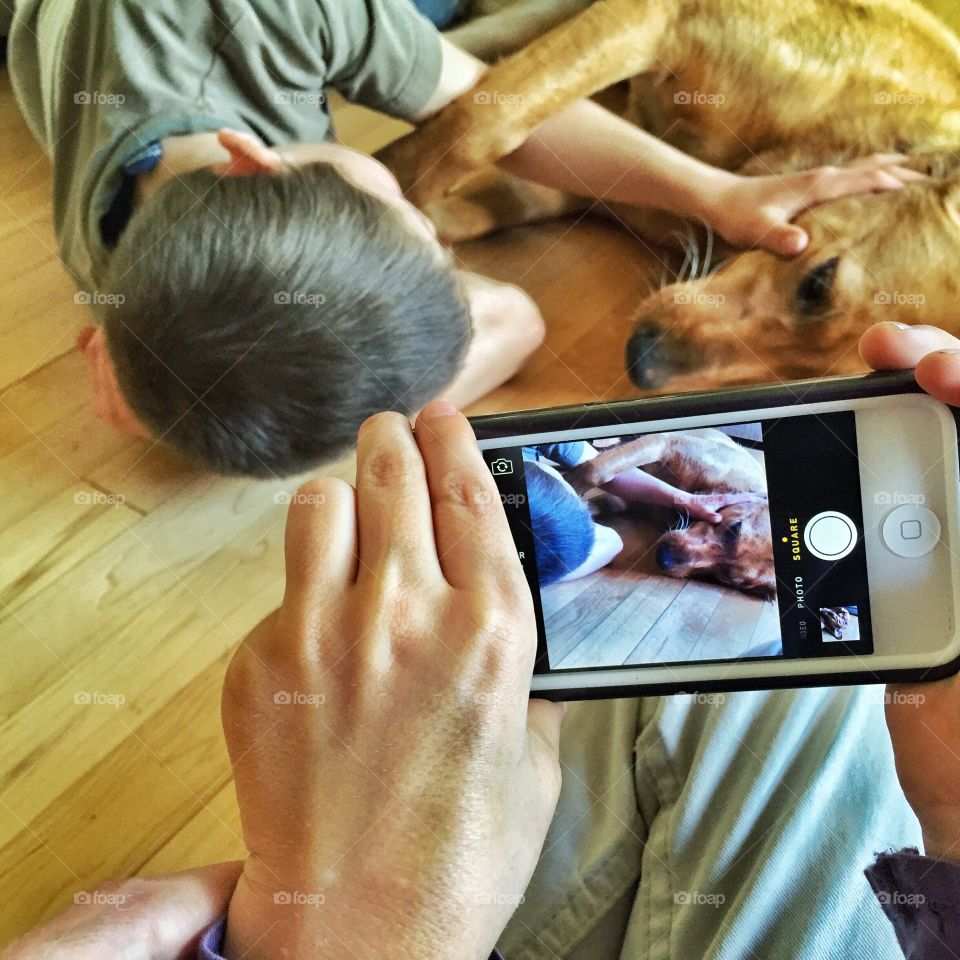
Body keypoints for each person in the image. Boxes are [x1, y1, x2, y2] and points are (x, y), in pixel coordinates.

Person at [5, 321, 960, 960]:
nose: (691, 553)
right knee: (806, 683)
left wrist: (359, 925)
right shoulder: (713, 474)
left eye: (716, 565)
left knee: (779, 674)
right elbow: (625, 477)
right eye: (715, 540)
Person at [3, 1, 924, 476]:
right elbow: (517, 321)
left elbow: (487, 111)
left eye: (411, 222)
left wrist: (718, 194)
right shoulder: (125, 280)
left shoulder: (276, 14)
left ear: (255, 162)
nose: (439, 229)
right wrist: (336, 421)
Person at [524, 440, 761, 584]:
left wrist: (684, 499)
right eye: (731, 533)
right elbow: (610, 543)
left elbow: (593, 464)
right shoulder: (724, 471)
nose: (691, 555)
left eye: (725, 572)